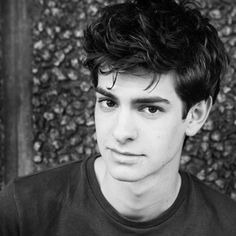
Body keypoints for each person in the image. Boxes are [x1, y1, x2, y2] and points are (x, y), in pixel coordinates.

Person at [1, 0, 236, 235]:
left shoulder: (227, 225)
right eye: (109, 103)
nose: (121, 133)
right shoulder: (23, 212)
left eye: (150, 109)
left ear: (195, 115)